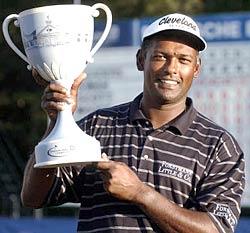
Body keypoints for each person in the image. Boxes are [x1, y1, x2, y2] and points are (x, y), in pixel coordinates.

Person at [21, 13, 245, 233]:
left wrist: (140, 193)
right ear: (140, 60)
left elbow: (216, 229)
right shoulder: (97, 126)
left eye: (183, 60)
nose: (171, 68)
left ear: (196, 69)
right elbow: (33, 197)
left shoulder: (219, 146)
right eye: (160, 56)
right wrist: (57, 121)